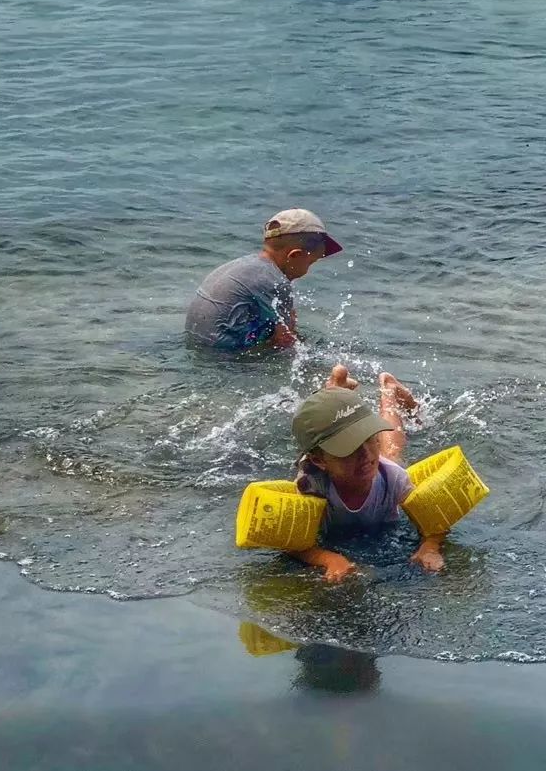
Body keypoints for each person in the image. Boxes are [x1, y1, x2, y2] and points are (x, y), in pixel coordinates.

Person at [287, 368, 447, 581]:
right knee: (332, 426)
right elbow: (291, 542)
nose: (366, 455)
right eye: (349, 449)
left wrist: (430, 546)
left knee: (391, 453)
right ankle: (335, 392)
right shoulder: (312, 486)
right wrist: (328, 559)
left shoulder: (393, 478)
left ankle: (389, 392)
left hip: (387, 472)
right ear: (319, 461)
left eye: (370, 439)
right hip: (321, 464)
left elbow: (434, 524)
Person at [185, 208, 342, 353]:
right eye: (311, 263)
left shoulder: (245, 265)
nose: (308, 271)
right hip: (224, 358)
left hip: (194, 345)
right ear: (294, 255)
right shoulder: (276, 282)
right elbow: (285, 342)